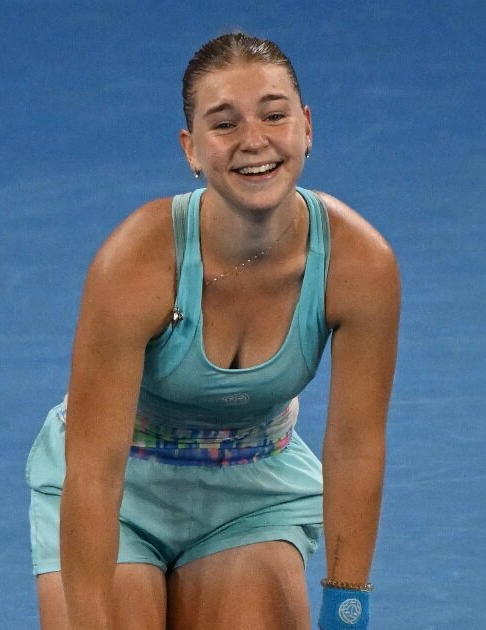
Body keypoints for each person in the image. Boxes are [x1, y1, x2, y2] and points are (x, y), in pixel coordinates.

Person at [26, 31, 400, 629]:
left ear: (306, 127)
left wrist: (347, 615)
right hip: (119, 497)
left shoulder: (361, 264)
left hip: (253, 499)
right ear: (192, 150)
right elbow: (94, 472)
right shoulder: (135, 262)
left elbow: (356, 447)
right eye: (224, 124)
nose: (254, 140)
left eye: (274, 115)